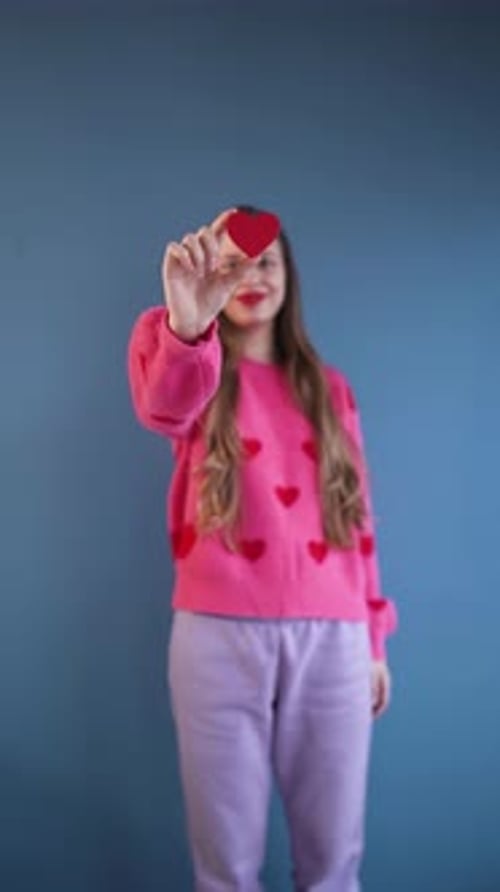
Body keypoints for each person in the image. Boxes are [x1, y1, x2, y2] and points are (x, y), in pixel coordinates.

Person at [127, 204, 398, 892]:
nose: (253, 274)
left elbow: (358, 523)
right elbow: (164, 405)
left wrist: (374, 640)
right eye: (236, 260)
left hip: (334, 637)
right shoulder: (183, 356)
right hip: (217, 638)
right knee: (225, 869)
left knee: (334, 864)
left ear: (288, 279)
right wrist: (190, 324)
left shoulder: (331, 390)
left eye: (267, 261)